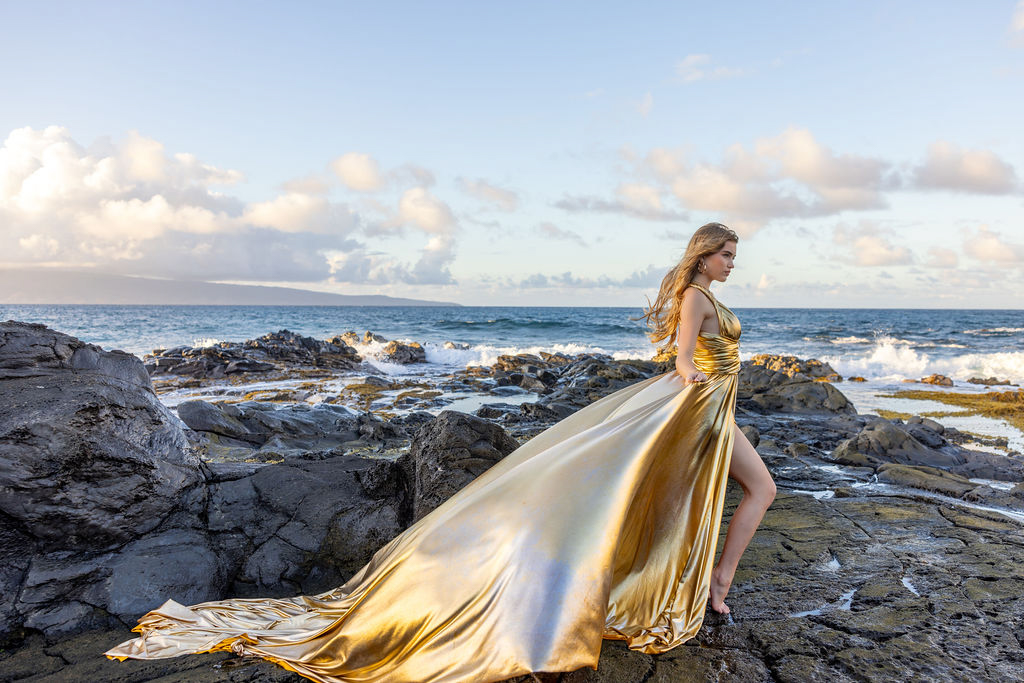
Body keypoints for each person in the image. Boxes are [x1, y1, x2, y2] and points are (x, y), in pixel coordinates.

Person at [106, 221, 776, 683]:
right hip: (697, 409)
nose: (728, 266)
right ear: (702, 254)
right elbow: (686, 358)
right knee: (691, 494)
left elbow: (709, 361)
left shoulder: (707, 294)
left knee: (742, 492)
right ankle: (711, 587)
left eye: (732, 261)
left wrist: (705, 389)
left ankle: (712, 584)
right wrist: (688, 381)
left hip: (714, 409)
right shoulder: (693, 295)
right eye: (724, 256)